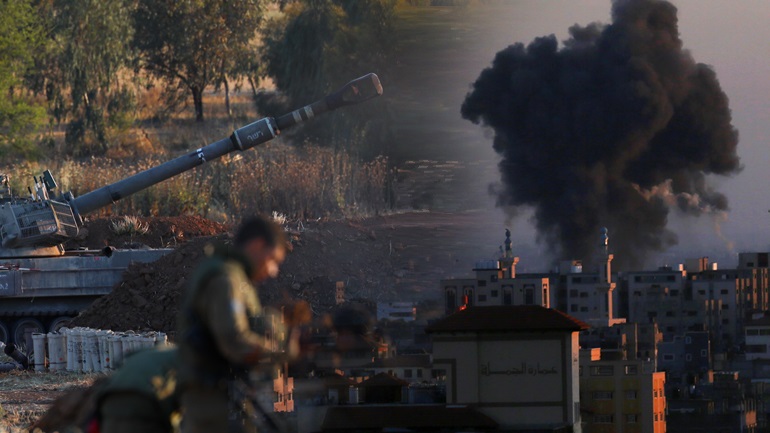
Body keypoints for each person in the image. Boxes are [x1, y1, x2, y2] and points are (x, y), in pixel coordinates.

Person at [177, 215, 288, 433]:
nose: (273, 270)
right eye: (272, 259)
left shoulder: (234, 277)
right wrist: (280, 353)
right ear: (257, 245)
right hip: (213, 403)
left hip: (221, 397)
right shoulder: (227, 280)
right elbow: (234, 339)